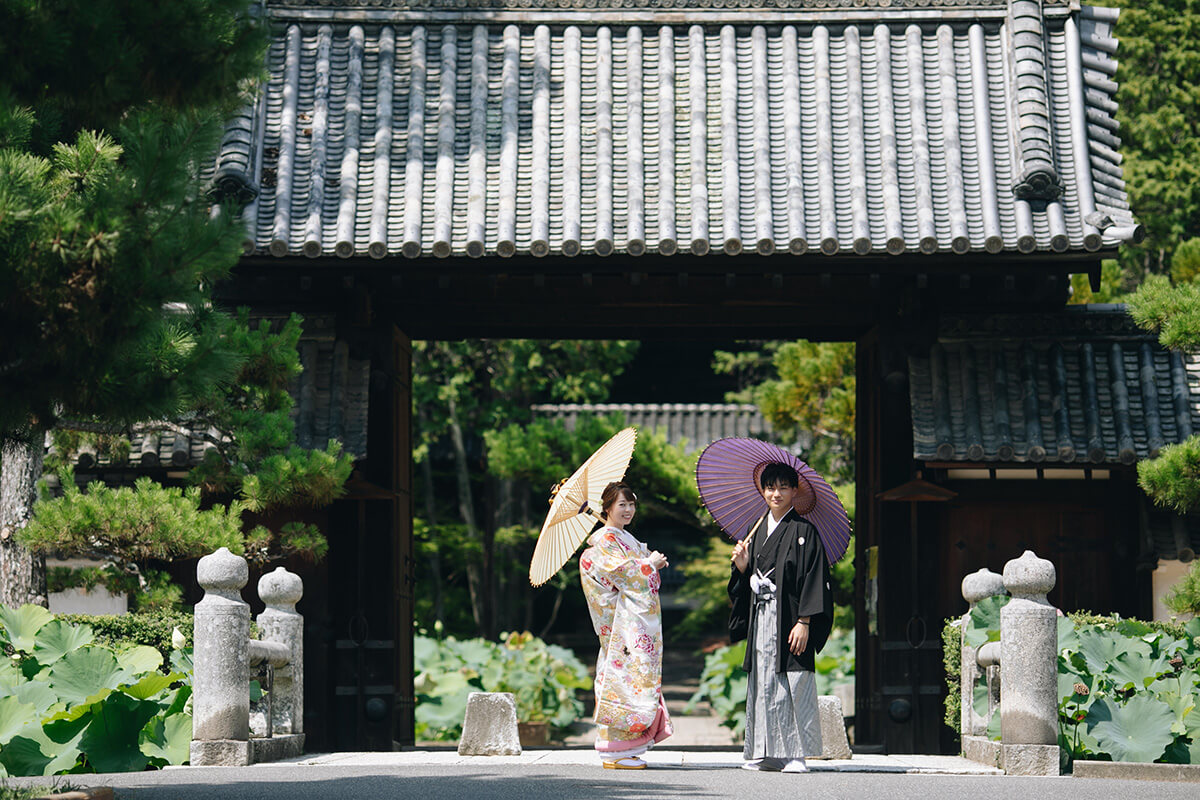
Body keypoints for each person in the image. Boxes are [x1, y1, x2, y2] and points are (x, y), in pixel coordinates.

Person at [727, 461, 833, 773]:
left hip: (790, 618)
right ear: (762, 490)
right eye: (770, 487)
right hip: (762, 618)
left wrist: (805, 621)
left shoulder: (804, 531)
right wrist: (743, 567)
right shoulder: (755, 531)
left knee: (794, 682)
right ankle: (768, 751)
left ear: (794, 491)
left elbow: (815, 578)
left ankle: (797, 754)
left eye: (783, 487)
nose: (776, 493)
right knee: (764, 682)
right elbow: (740, 585)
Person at [579, 481, 674, 769]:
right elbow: (623, 576)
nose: (628, 510)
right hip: (621, 626)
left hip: (630, 624)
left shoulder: (622, 539)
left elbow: (632, 575)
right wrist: (649, 565)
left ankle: (625, 748)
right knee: (620, 679)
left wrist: (648, 563)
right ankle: (614, 751)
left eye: (631, 504)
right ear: (607, 508)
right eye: (622, 505)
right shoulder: (606, 541)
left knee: (630, 678)